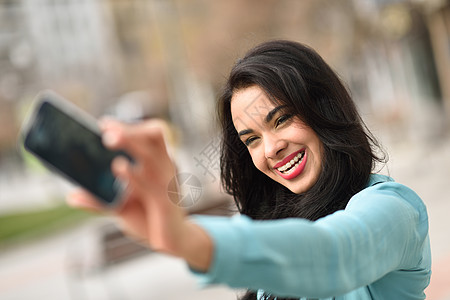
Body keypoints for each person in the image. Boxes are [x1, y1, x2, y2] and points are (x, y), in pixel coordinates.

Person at [68, 40, 431, 300]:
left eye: (283, 119)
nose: (271, 149)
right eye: (251, 139)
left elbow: (336, 255)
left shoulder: (392, 208)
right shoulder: (273, 223)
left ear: (326, 110)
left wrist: (183, 236)